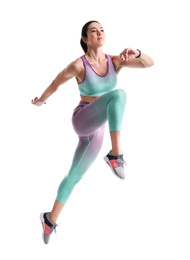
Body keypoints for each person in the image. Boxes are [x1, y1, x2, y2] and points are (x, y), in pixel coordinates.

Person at [31, 20, 154, 244]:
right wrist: (41, 100)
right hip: (83, 118)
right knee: (119, 95)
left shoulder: (116, 61)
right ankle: (115, 155)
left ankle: (49, 220)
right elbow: (56, 82)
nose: (99, 33)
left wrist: (137, 52)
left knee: (74, 177)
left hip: (96, 132)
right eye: (93, 31)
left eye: (102, 29)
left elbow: (148, 63)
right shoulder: (79, 65)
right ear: (85, 39)